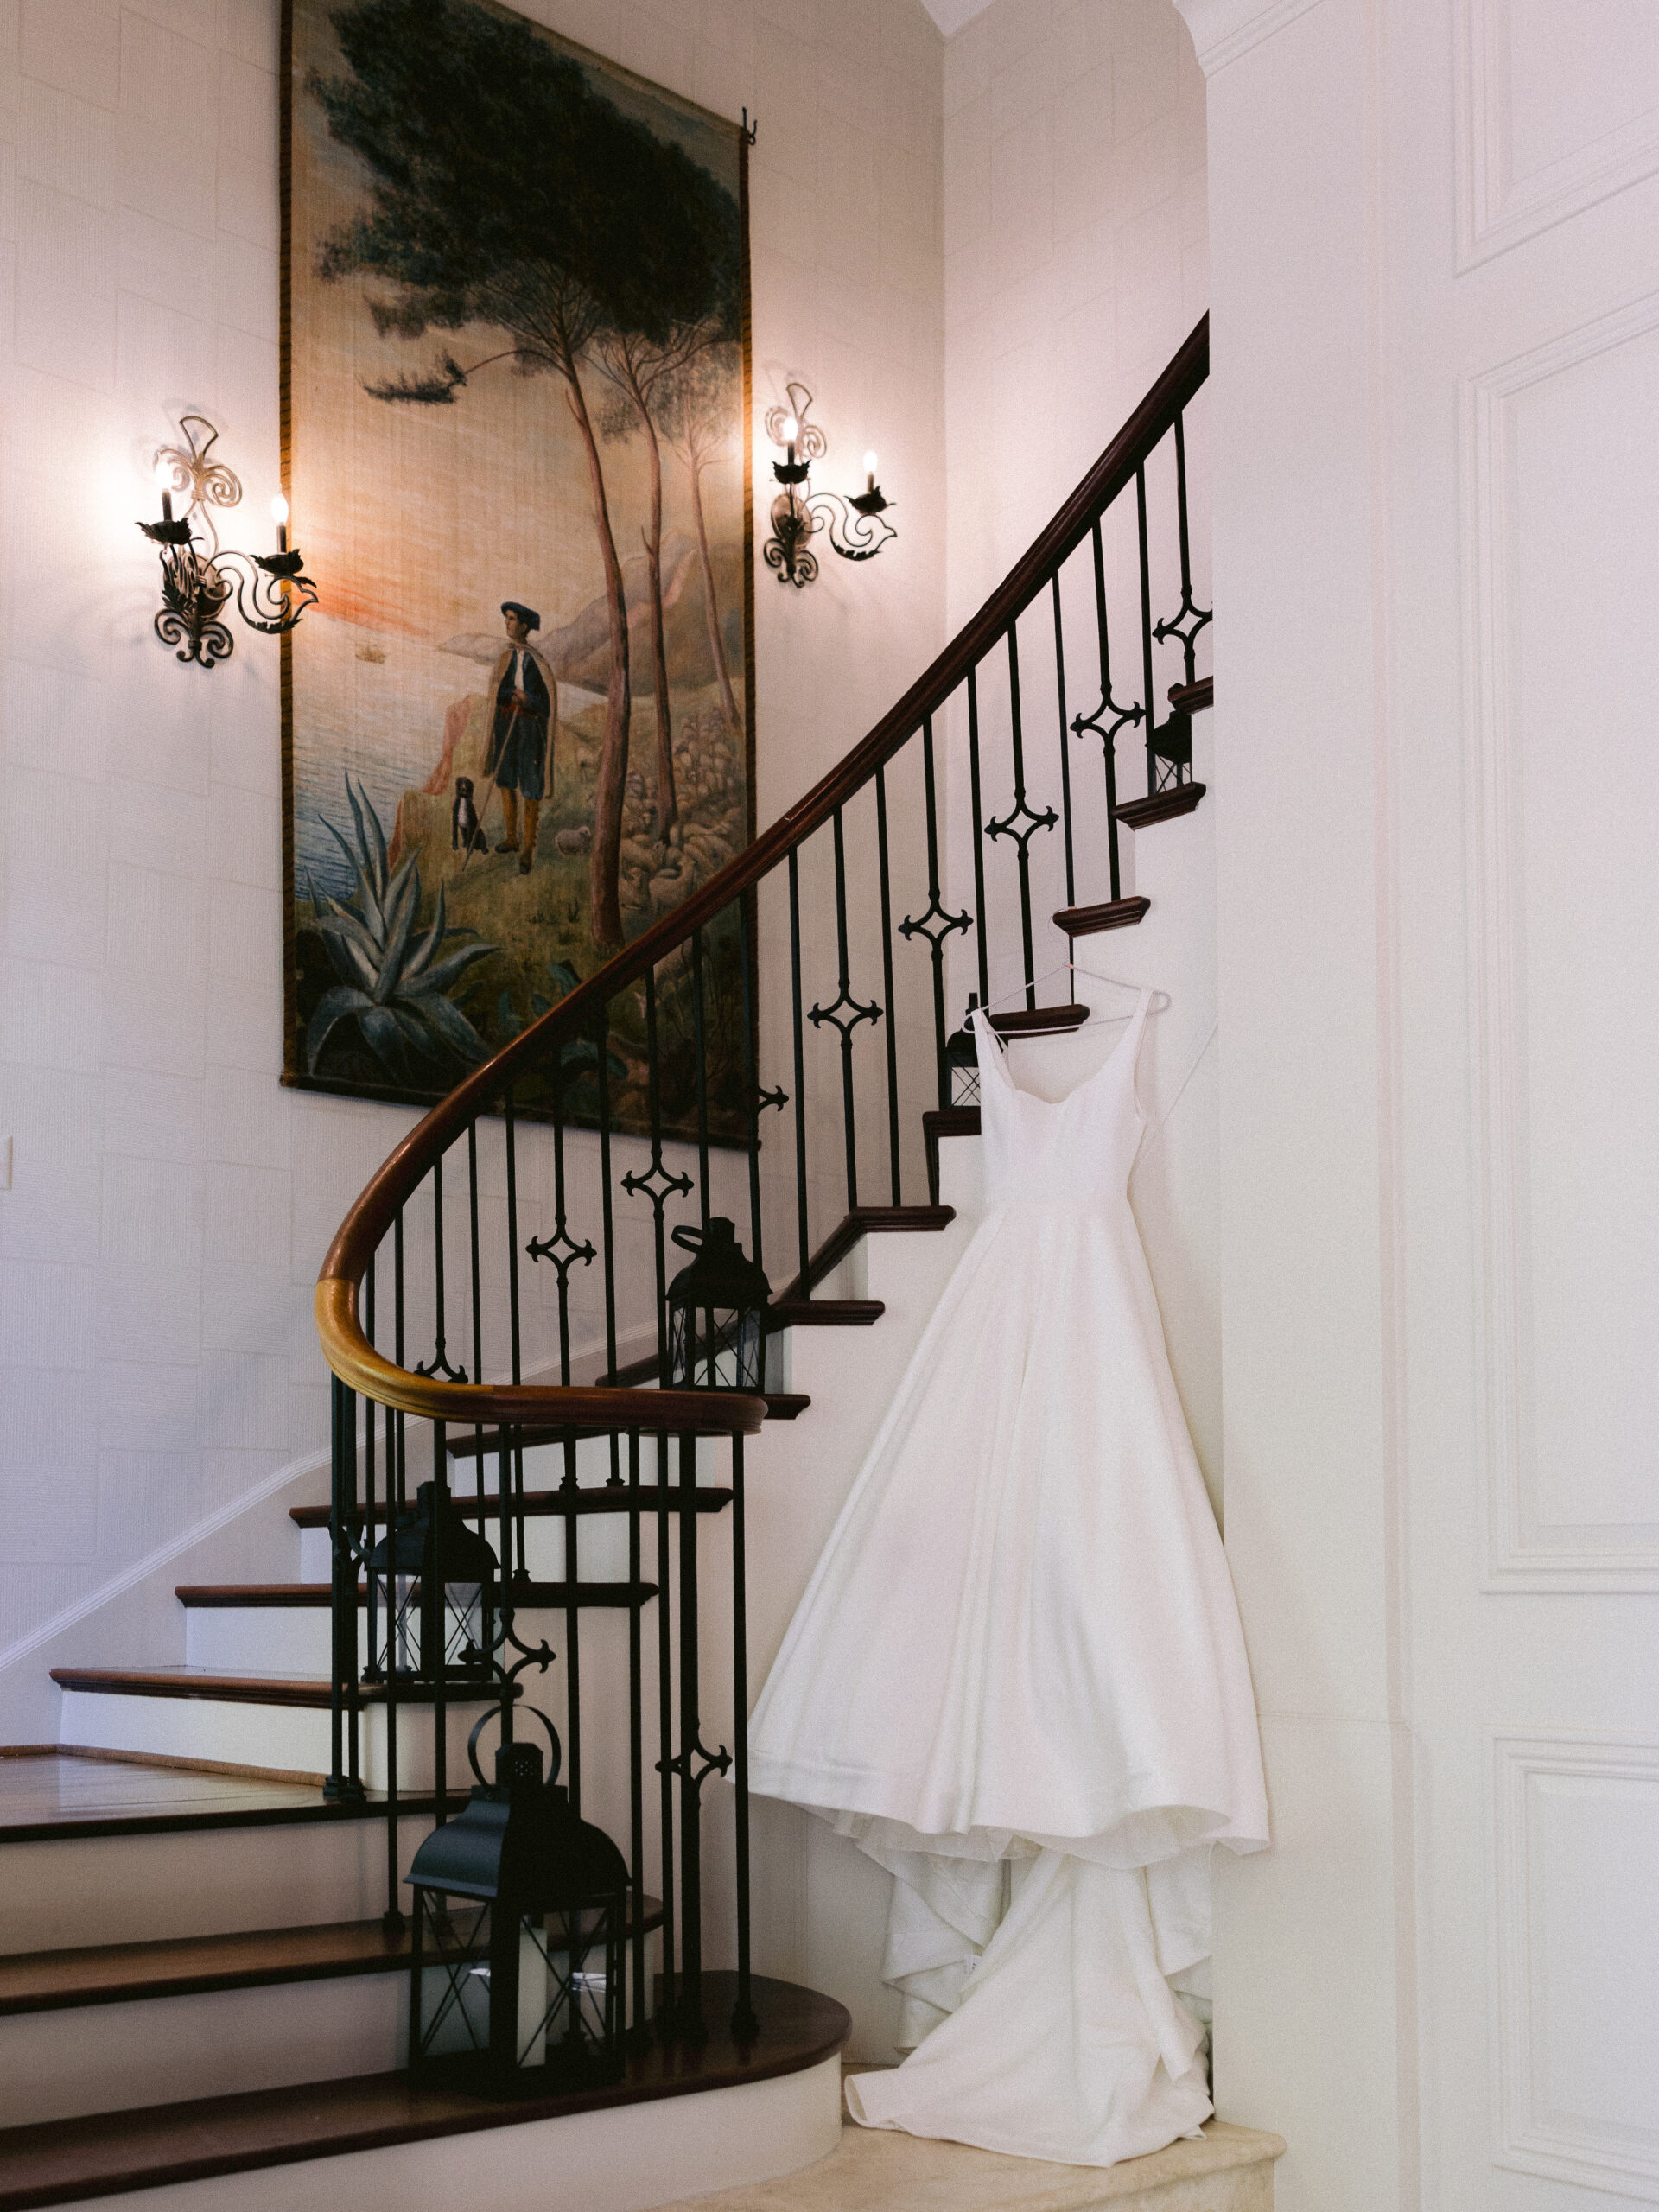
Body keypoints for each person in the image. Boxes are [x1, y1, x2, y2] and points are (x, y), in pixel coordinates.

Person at [485, 601, 556, 874]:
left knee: (530, 785)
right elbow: (498, 690)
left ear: (524, 626)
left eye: (512, 619)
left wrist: (528, 700)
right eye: (506, 618)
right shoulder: (506, 657)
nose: (507, 623)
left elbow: (546, 703)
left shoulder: (537, 662)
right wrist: (509, 696)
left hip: (529, 730)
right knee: (505, 779)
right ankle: (512, 838)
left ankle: (528, 849)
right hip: (507, 725)